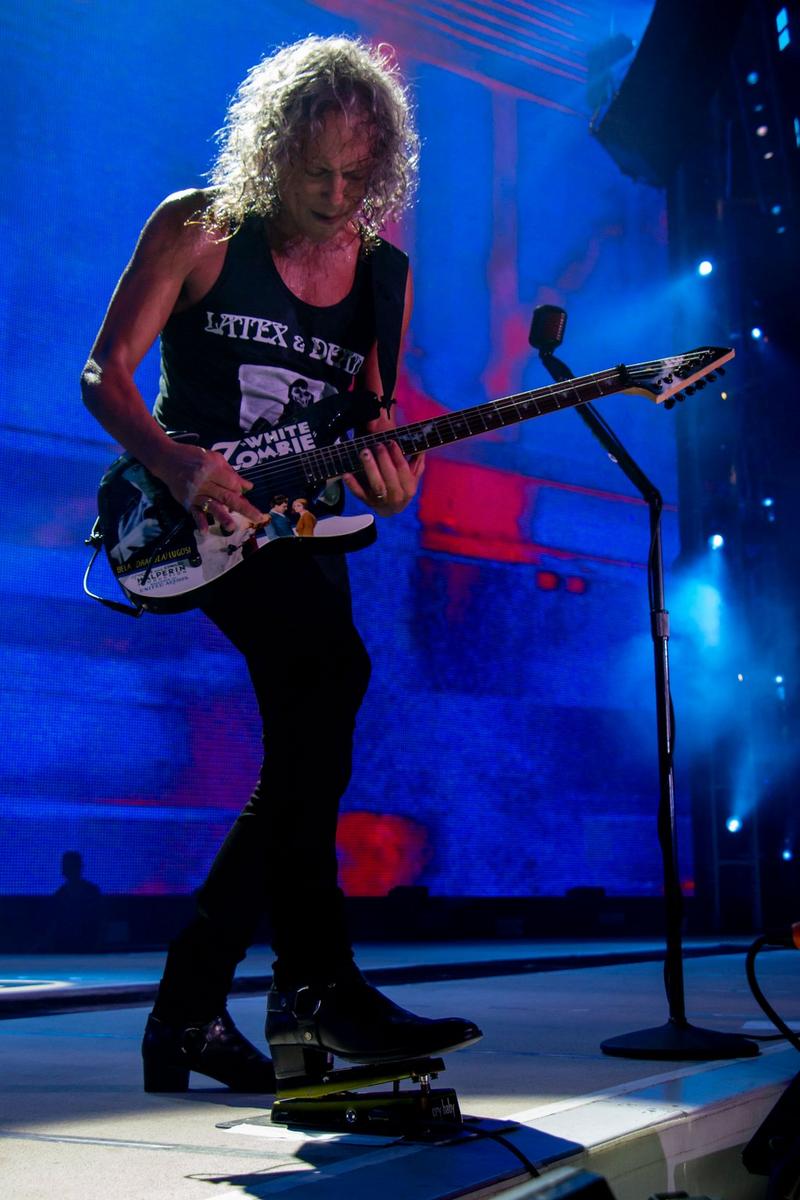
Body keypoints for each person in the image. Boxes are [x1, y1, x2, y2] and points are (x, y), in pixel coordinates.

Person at [81, 34, 480, 1094]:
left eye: (357, 176)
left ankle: (219, 1008)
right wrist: (175, 462)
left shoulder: (383, 274)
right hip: (193, 513)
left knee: (311, 747)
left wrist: (392, 484)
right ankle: (304, 988)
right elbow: (104, 373)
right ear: (275, 149)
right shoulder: (200, 226)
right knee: (332, 681)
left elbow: (371, 424)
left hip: (305, 526)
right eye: (316, 173)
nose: (336, 196)